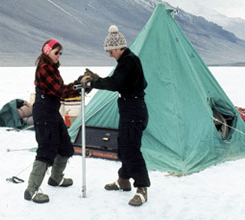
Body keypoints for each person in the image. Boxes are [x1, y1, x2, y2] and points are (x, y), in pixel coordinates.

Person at [81, 25, 150, 206]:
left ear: (119, 47)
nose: (109, 55)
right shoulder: (126, 61)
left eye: (110, 51)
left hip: (134, 111)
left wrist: (94, 82)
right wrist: (98, 79)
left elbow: (115, 83)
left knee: (131, 149)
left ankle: (142, 188)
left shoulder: (129, 61)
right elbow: (120, 82)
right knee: (124, 145)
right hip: (131, 110)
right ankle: (123, 180)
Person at [24, 39, 81, 204]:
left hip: (52, 112)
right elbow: (60, 91)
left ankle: (56, 178)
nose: (59, 56)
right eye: (56, 52)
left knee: (65, 146)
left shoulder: (52, 68)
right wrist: (79, 86)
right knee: (46, 149)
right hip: (44, 114)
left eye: (60, 53)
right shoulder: (45, 69)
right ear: (47, 52)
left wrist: (79, 85)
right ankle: (31, 190)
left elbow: (60, 89)